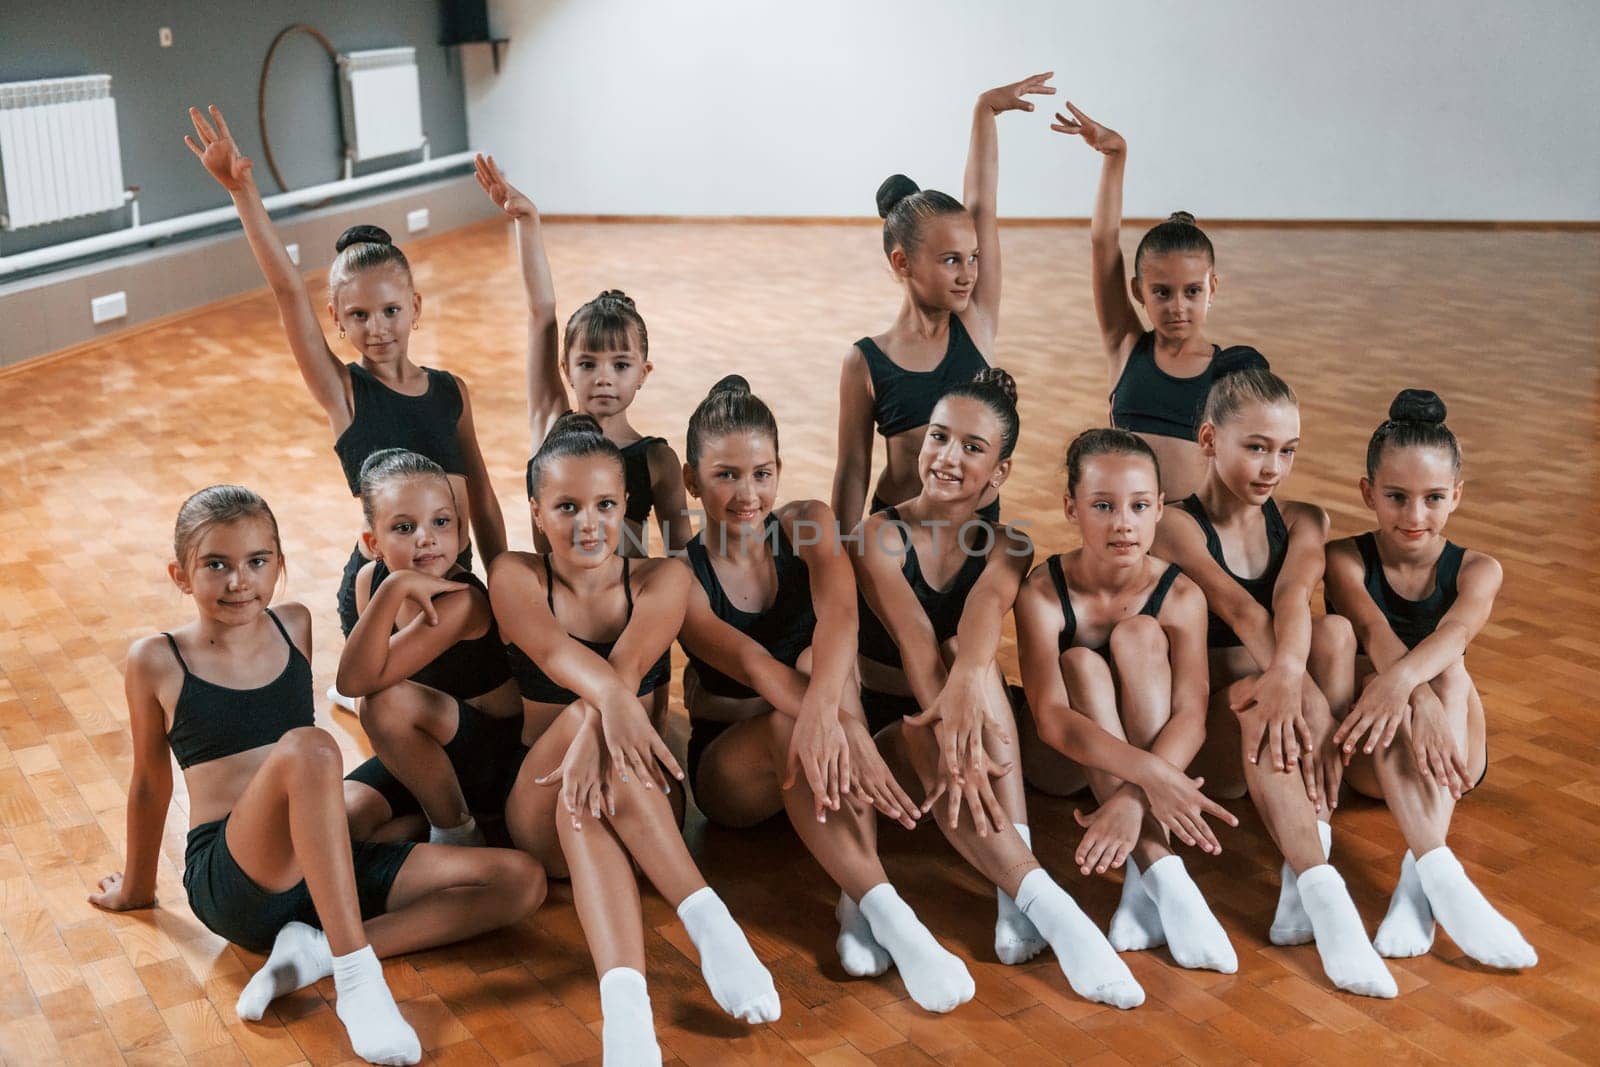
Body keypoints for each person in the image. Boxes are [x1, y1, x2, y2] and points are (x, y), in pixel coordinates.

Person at [89, 486, 542, 1065]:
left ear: (280, 564)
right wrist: (135, 887)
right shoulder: (156, 658)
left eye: (257, 562)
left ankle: (318, 951)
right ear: (181, 575)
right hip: (237, 880)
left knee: (518, 880)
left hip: (325, 870)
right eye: (216, 565)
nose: (238, 582)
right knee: (310, 747)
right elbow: (151, 784)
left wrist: (399, 583)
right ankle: (358, 978)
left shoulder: (293, 625)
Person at [186, 105, 506, 710]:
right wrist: (243, 191)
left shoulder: (450, 391)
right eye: (358, 315)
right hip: (388, 585)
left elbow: (483, 497)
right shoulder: (345, 393)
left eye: (390, 310)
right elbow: (286, 290)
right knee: (405, 707)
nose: (377, 328)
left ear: (415, 305)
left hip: (454, 578)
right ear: (336, 319)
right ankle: (370, 682)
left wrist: (503, 580)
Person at [676, 375, 974, 1014]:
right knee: (802, 706)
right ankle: (896, 916)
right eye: (726, 475)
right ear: (690, 479)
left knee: (822, 660)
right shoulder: (682, 578)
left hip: (823, 742)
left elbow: (842, 617)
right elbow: (755, 664)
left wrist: (839, 723)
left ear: (780, 470)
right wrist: (840, 725)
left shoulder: (807, 524)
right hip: (735, 774)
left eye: (761, 473)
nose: (747, 493)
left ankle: (852, 902)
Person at [491, 415, 779, 1066]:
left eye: (603, 504)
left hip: (648, 806)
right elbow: (556, 653)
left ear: (626, 505)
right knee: (576, 726)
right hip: (535, 808)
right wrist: (602, 712)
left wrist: (602, 711)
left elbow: (622, 668)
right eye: (566, 506)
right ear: (536, 510)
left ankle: (627, 1007)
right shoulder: (514, 575)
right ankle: (707, 918)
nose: (587, 522)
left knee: (587, 750)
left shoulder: (662, 579)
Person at [853, 370, 1145, 1009]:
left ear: (1000, 472)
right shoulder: (877, 535)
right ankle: (1044, 900)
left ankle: (1016, 888)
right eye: (938, 437)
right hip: (901, 724)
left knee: (971, 654)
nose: (949, 458)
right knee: (952, 667)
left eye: (973, 448)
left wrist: (964, 701)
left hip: (983, 714)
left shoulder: (1008, 544)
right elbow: (914, 643)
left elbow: (980, 621)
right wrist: (951, 720)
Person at [1153, 352, 1397, 997]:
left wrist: (1295, 677)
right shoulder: (1174, 522)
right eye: (1256, 447)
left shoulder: (1302, 519)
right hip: (1211, 739)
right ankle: (1328, 898)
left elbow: (1290, 600)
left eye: (1287, 451)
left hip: (1281, 715)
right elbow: (1237, 606)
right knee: (1262, 694)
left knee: (1333, 632)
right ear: (1209, 440)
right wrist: (1297, 689)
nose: (1273, 468)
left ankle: (1300, 874)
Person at [1318, 390, 1535, 969]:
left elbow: (1454, 636)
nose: (1415, 517)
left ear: (1456, 496)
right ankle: (1440, 879)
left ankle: (1418, 888)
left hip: (1455, 753)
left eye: (1434, 498)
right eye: (1396, 497)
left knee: (1451, 665)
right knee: (1391, 679)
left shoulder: (1479, 569)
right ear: (1368, 493)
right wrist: (1414, 698)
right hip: (1376, 748)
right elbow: (1372, 631)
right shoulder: (1343, 558)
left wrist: (1422, 697)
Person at [1015, 428, 1239, 972]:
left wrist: (1132, 798)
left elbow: (1192, 713)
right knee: (1081, 665)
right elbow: (1051, 721)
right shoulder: (1042, 594)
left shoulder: (1181, 594)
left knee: (1138, 636)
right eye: (1102, 506)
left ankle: (1143, 889)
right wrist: (1152, 780)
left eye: (1139, 506)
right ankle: (1169, 876)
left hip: (1155, 765)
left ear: (1160, 507)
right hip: (1066, 766)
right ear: (1071, 507)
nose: (1123, 523)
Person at [832, 73, 1055, 529]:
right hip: (899, 534)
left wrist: (985, 111)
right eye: (951, 260)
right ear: (903, 263)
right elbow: (853, 470)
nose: (969, 273)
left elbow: (982, 205)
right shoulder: (867, 361)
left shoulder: (976, 321)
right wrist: (838, 553)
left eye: (972, 258)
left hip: (973, 532)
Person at [1052, 101, 1257, 500]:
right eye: (1162, 292)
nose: (1177, 306)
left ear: (1212, 288)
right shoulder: (1125, 344)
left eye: (1192, 291)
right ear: (1137, 292)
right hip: (1126, 530)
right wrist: (1115, 156)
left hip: (1192, 534)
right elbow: (1103, 243)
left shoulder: (1227, 372)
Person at [337, 450, 524, 847]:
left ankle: (458, 830)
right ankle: (462, 828)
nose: (427, 538)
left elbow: (356, 683)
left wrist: (394, 585)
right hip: (425, 755)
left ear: (459, 529)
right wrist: (392, 586)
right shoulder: (369, 580)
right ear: (373, 543)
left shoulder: (463, 601)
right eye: (404, 528)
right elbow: (357, 676)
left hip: (493, 763)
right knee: (341, 820)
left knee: (382, 702)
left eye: (441, 522)